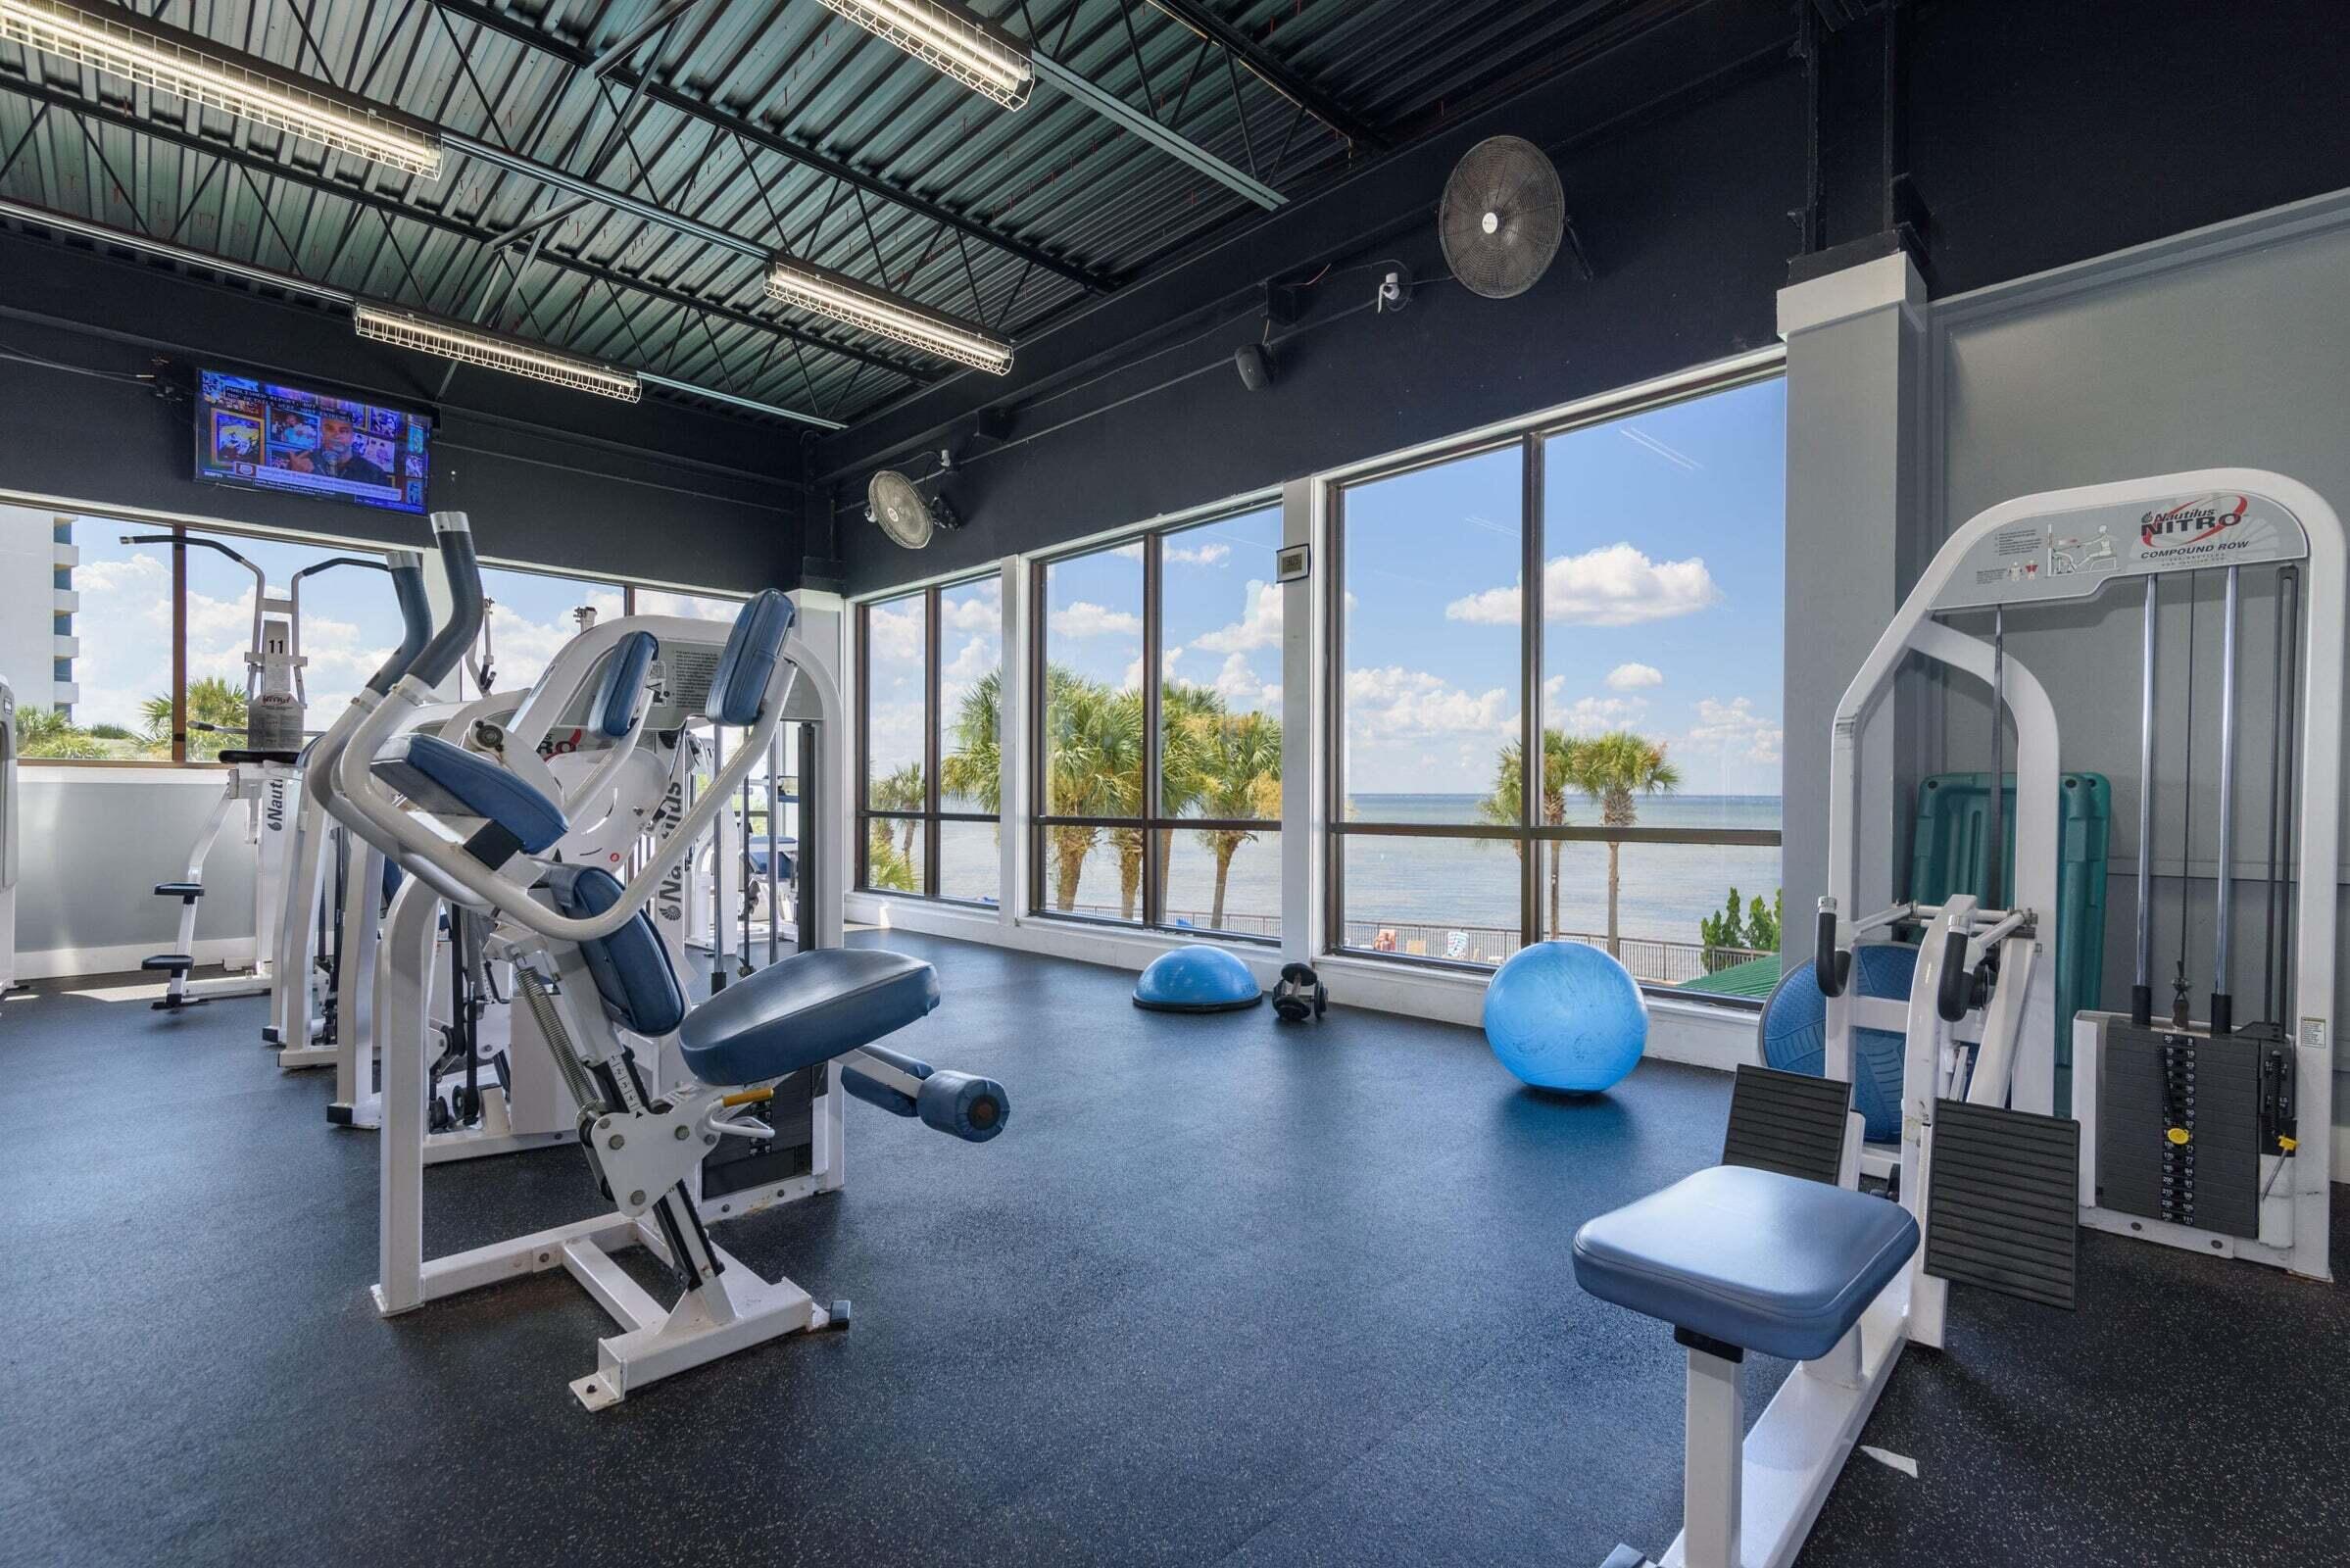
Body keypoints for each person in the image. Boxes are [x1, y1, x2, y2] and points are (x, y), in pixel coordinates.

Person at [308, 413, 388, 484]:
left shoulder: (375, 473)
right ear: (321, 431)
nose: (336, 436)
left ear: (352, 436)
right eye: (330, 429)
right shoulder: (304, 459)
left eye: (343, 431)